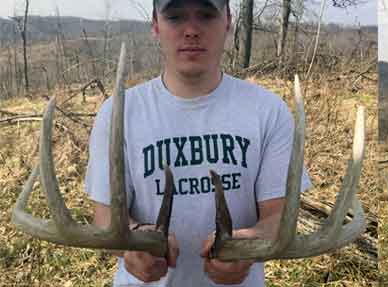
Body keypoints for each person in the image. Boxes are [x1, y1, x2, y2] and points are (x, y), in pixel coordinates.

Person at [84, 0, 310, 285]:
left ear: (228, 20)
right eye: (175, 16)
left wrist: (249, 243)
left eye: (206, 15)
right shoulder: (118, 113)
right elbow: (105, 216)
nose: (191, 30)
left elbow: (279, 216)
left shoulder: (268, 111)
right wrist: (135, 239)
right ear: (156, 24)